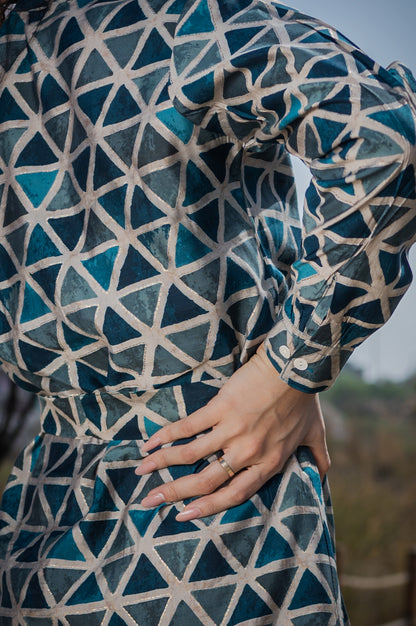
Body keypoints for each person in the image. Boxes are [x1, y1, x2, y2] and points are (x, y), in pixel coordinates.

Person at [0, 0, 415, 622]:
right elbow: (384, 134)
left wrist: (285, 375)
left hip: (49, 517)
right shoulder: (180, 19)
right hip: (218, 518)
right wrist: (293, 369)